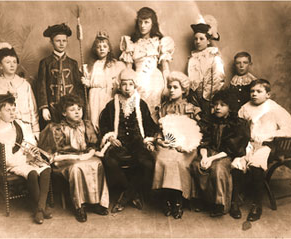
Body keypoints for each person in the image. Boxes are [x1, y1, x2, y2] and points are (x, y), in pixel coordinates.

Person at [231, 79, 291, 221]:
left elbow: (290, 130)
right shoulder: (245, 107)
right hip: (248, 144)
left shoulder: (274, 108)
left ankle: (256, 204)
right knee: (237, 164)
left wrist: (270, 135)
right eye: (252, 91)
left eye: (259, 91)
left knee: (256, 165)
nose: (254, 94)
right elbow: (238, 127)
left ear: (268, 94)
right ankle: (235, 201)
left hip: (266, 145)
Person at [38, 94, 109, 223]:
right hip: (65, 159)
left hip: (84, 156)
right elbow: (55, 154)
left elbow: (93, 144)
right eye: (72, 109)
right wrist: (76, 157)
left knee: (97, 163)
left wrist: (88, 154)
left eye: (79, 109)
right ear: (64, 113)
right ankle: (79, 206)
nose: (77, 112)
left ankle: (96, 202)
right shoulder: (57, 128)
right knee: (77, 168)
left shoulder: (86, 125)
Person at [99, 68, 158, 213]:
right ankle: (133, 193)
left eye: (130, 84)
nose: (127, 88)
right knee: (110, 162)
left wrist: (148, 141)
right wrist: (111, 137)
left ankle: (125, 196)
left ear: (135, 85)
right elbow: (104, 124)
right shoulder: (112, 104)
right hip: (119, 142)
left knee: (148, 163)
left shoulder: (141, 104)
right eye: (124, 84)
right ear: (119, 86)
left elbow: (150, 125)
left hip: (138, 143)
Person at [0, 93, 52, 224]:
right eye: (8, 110)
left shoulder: (18, 124)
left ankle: (40, 207)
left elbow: (27, 141)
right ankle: (39, 208)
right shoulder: (0, 132)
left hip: (25, 159)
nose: (12, 113)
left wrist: (33, 151)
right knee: (32, 173)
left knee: (46, 169)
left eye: (13, 109)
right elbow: (6, 159)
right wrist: (26, 157)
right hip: (14, 163)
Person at [191, 90, 250, 217]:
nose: (217, 107)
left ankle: (220, 204)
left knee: (218, 168)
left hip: (228, 154)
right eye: (216, 104)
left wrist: (212, 159)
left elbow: (232, 148)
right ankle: (204, 200)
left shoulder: (238, 123)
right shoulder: (208, 121)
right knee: (197, 165)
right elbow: (203, 141)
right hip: (210, 152)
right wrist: (205, 157)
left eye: (222, 105)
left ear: (230, 107)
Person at [152, 71, 202, 219]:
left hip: (186, 146)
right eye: (170, 87)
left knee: (178, 161)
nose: (171, 90)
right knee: (162, 159)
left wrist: (185, 144)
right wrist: (159, 140)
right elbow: (158, 131)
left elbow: (197, 131)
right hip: (167, 144)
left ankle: (178, 200)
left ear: (183, 90)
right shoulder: (162, 108)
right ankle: (166, 199)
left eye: (175, 87)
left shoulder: (191, 108)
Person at [119, 7, 175, 121]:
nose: (143, 25)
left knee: (155, 110)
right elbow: (128, 71)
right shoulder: (132, 44)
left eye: (146, 22)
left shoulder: (159, 42)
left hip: (155, 80)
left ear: (152, 24)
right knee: (139, 110)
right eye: (140, 22)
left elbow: (165, 68)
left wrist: (167, 86)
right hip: (138, 79)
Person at [0, 42, 39, 151]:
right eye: (8, 62)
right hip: (4, 130)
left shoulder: (24, 85)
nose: (12, 65)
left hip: (25, 128)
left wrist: (36, 130)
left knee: (29, 157)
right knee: (9, 159)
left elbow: (33, 109)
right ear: (0, 65)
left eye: (14, 62)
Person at [37, 23, 84, 126]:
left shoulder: (73, 63)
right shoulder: (45, 62)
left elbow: (79, 88)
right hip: (52, 107)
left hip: (70, 109)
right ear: (51, 42)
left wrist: (80, 107)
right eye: (58, 41)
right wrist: (44, 107)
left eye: (64, 41)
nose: (61, 44)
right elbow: (41, 87)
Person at [81, 30, 125, 134]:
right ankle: (95, 138)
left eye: (104, 46)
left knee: (106, 116)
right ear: (95, 50)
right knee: (94, 116)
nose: (101, 49)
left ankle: (107, 136)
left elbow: (112, 81)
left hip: (107, 94)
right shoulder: (92, 65)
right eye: (98, 47)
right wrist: (87, 82)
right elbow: (91, 80)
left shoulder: (113, 65)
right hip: (94, 95)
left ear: (109, 49)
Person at [187, 15, 225, 115]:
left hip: (208, 98)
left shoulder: (213, 57)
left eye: (201, 39)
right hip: (194, 97)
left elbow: (218, 78)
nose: (198, 41)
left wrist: (211, 98)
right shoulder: (192, 58)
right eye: (196, 39)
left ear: (208, 41)